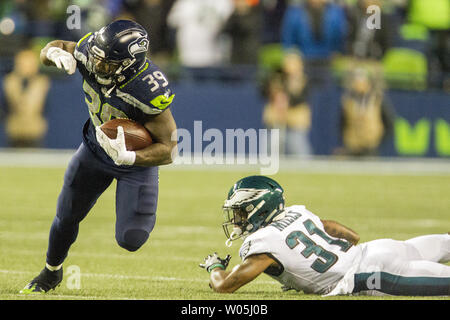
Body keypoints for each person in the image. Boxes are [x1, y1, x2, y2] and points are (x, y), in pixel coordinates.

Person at [20, 19, 177, 294]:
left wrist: (130, 157)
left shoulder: (147, 89)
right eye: (96, 58)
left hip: (134, 162)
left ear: (128, 64)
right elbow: (52, 50)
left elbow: (169, 149)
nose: (97, 66)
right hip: (94, 147)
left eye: (107, 64)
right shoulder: (91, 50)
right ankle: (51, 272)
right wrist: (53, 53)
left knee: (131, 238)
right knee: (66, 215)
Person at [199, 176, 450, 296]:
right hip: (377, 249)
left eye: (242, 212)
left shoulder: (262, 244)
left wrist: (216, 266)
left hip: (368, 275)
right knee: (444, 242)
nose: (238, 218)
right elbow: (351, 235)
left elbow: (224, 286)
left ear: (259, 208)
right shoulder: (296, 212)